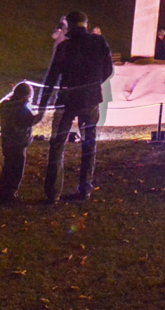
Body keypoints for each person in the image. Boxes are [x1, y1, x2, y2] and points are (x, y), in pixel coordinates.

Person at [40, 11, 114, 203]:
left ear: (70, 26)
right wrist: (94, 84)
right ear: (86, 24)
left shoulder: (65, 46)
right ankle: (85, 189)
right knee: (89, 145)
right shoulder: (99, 42)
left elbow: (52, 77)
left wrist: (42, 104)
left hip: (67, 98)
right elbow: (108, 69)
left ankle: (53, 192)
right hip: (90, 99)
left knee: (57, 145)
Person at [0, 82, 45, 203]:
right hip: (18, 143)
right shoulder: (21, 107)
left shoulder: (6, 105)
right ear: (26, 96)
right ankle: (11, 193)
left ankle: (3, 191)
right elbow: (28, 121)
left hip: (7, 141)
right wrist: (40, 115)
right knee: (16, 169)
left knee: (7, 167)